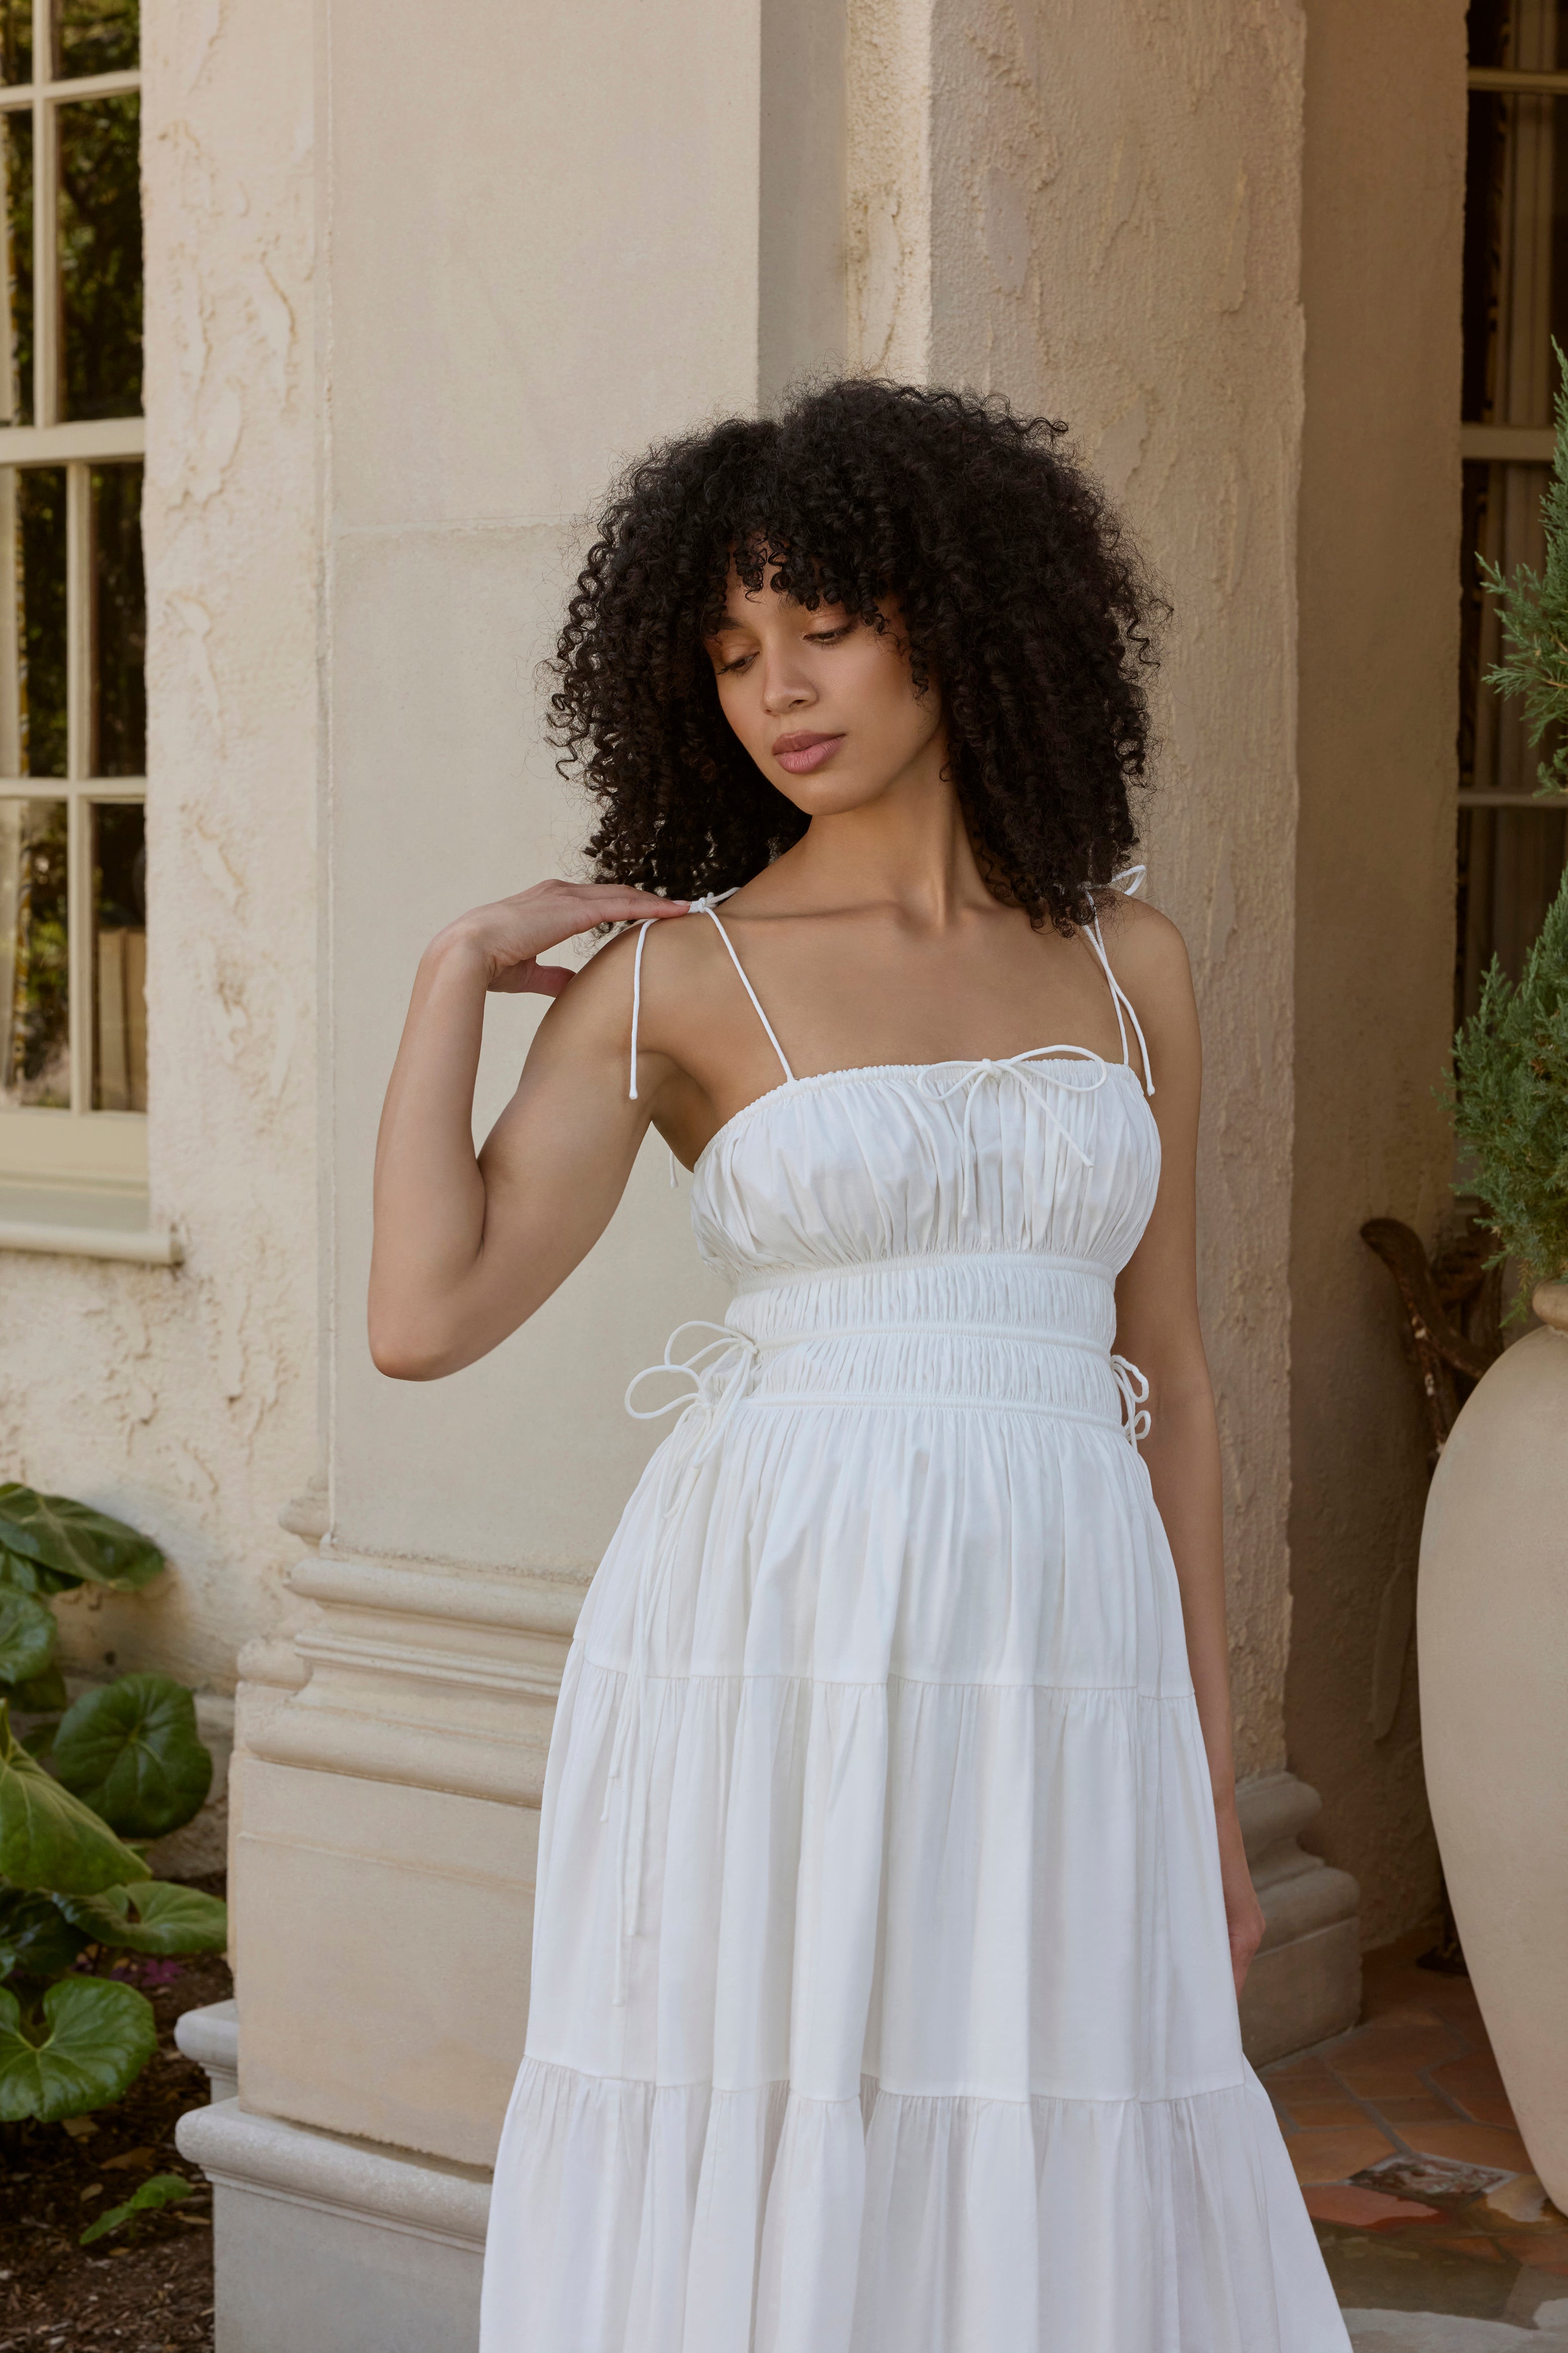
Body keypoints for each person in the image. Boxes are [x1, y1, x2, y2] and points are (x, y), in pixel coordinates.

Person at [369, 380, 1350, 2353]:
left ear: (959, 618)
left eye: (822, 624)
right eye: (730, 651)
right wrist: (452, 978)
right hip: (776, 1621)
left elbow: (1169, 1374)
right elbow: (426, 1315)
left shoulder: (1124, 956)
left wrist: (1193, 1766)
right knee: (791, 2094)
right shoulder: (678, 976)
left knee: (1050, 2097)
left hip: (1052, 1632)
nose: (776, 689)